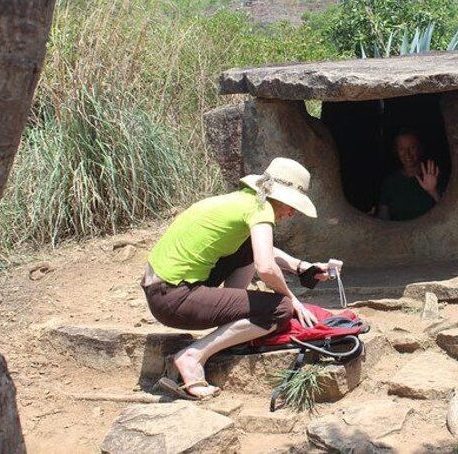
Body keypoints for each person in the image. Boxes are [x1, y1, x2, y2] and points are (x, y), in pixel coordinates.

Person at [141, 157, 339, 399]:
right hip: (174, 297)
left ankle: (234, 323)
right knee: (281, 309)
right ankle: (193, 356)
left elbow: (260, 251)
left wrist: (302, 267)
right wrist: (292, 299)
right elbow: (265, 266)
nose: (291, 213)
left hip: (162, 291)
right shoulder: (260, 208)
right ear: (280, 197)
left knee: (246, 248)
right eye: (292, 206)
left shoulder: (240, 201)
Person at [377, 129, 441, 221]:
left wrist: (433, 191)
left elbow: (451, 212)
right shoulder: (390, 183)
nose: (407, 154)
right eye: (402, 149)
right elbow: (383, 219)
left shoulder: (434, 176)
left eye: (412, 147)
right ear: (396, 151)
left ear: (420, 148)